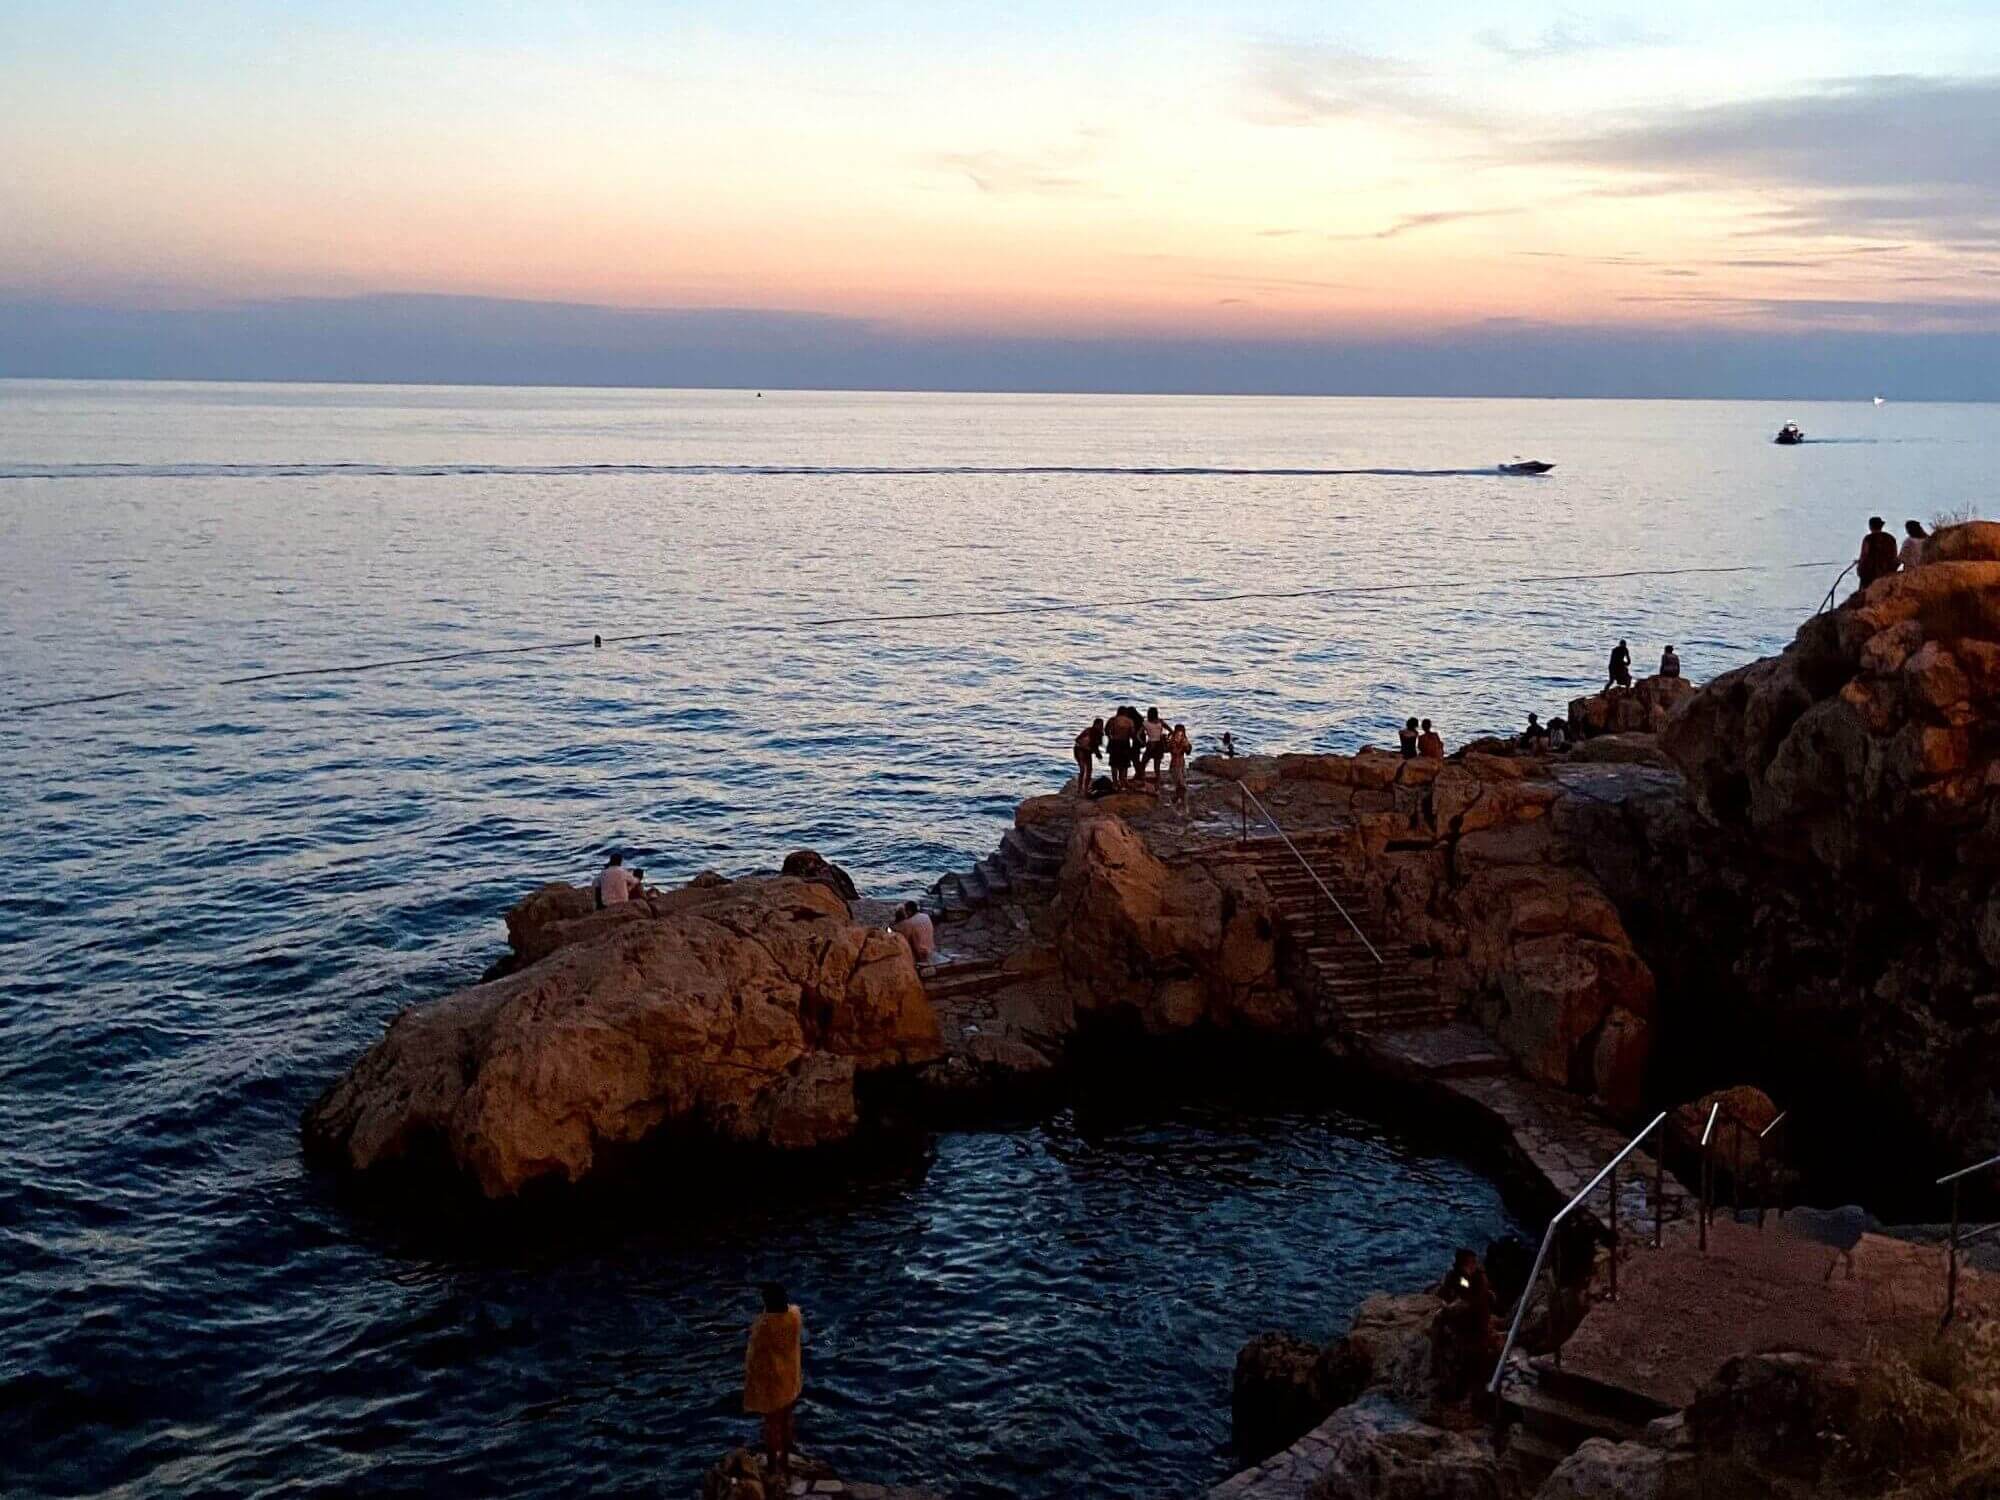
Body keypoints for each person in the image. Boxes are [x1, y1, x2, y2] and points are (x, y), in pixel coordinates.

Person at [744, 1282, 805, 1478]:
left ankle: (772, 1468)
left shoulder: (763, 1326)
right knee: (787, 1421)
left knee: (771, 1427)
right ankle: (785, 1460)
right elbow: (792, 1309)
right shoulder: (795, 1316)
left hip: (773, 1384)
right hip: (791, 1379)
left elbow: (753, 1356)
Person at [1429, 1249, 1499, 1406]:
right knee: (1438, 1320)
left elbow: (1472, 1301)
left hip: (1474, 1321)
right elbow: (1446, 1291)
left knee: (1444, 1319)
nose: (1473, 1265)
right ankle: (1435, 1357)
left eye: (1473, 1262)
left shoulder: (1479, 1279)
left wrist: (1453, 1306)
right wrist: (1448, 1301)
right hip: (1461, 1316)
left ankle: (1465, 1388)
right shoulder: (1456, 1276)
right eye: (1470, 1262)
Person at [1857, 516, 1898, 589]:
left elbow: (1864, 556)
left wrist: (1860, 569)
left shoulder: (1868, 539)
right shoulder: (1890, 538)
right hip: (1887, 574)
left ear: (1870, 526)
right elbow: (1894, 556)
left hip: (1870, 575)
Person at [893, 900, 935, 966]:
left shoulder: (909, 922)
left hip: (920, 954)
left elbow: (903, 938)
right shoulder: (926, 916)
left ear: (909, 911)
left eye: (906, 911)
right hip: (931, 949)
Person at [1074, 718, 1104, 798]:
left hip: (1088, 751)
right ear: (1095, 724)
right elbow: (1077, 740)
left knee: (1089, 769)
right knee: (1083, 769)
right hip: (1079, 749)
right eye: (1100, 725)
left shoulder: (1100, 734)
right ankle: (1079, 789)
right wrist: (1084, 743)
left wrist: (1098, 754)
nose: (1101, 726)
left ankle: (1085, 789)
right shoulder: (1088, 731)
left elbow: (1096, 746)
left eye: (1102, 725)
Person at [1141, 707, 1170, 788]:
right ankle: (1158, 782)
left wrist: (1142, 742)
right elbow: (1171, 730)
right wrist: (1167, 738)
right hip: (1159, 744)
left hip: (1150, 744)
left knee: (1143, 763)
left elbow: (1138, 734)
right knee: (1156, 766)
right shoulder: (1160, 721)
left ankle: (1143, 780)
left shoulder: (1145, 723)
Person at [1167, 722, 1192, 811]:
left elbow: (1188, 752)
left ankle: (1176, 800)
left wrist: (1187, 746)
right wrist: (1181, 745)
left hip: (1182, 765)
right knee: (1182, 787)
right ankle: (1185, 806)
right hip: (1175, 766)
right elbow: (1174, 751)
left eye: (1181, 734)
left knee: (1180, 786)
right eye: (1178, 734)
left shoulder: (1184, 740)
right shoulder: (1172, 741)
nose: (1180, 736)